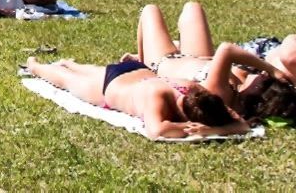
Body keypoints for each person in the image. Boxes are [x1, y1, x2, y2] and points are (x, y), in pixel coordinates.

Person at [135, 2, 296, 121]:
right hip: (200, 58)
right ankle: (169, 48)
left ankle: (141, 64)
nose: (262, 74)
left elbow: (226, 49)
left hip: (163, 61)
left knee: (150, 11)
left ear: (255, 94)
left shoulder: (220, 94)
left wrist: (271, 69)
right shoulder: (240, 89)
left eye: (264, 80)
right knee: (193, 8)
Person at [25, 55, 250, 139]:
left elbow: (242, 125)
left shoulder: (195, 90)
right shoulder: (157, 97)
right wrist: (192, 129)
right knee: (64, 80)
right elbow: (157, 131)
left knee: (90, 70)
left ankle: (71, 62)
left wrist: (213, 130)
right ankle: (33, 64)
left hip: (133, 71)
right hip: (111, 86)